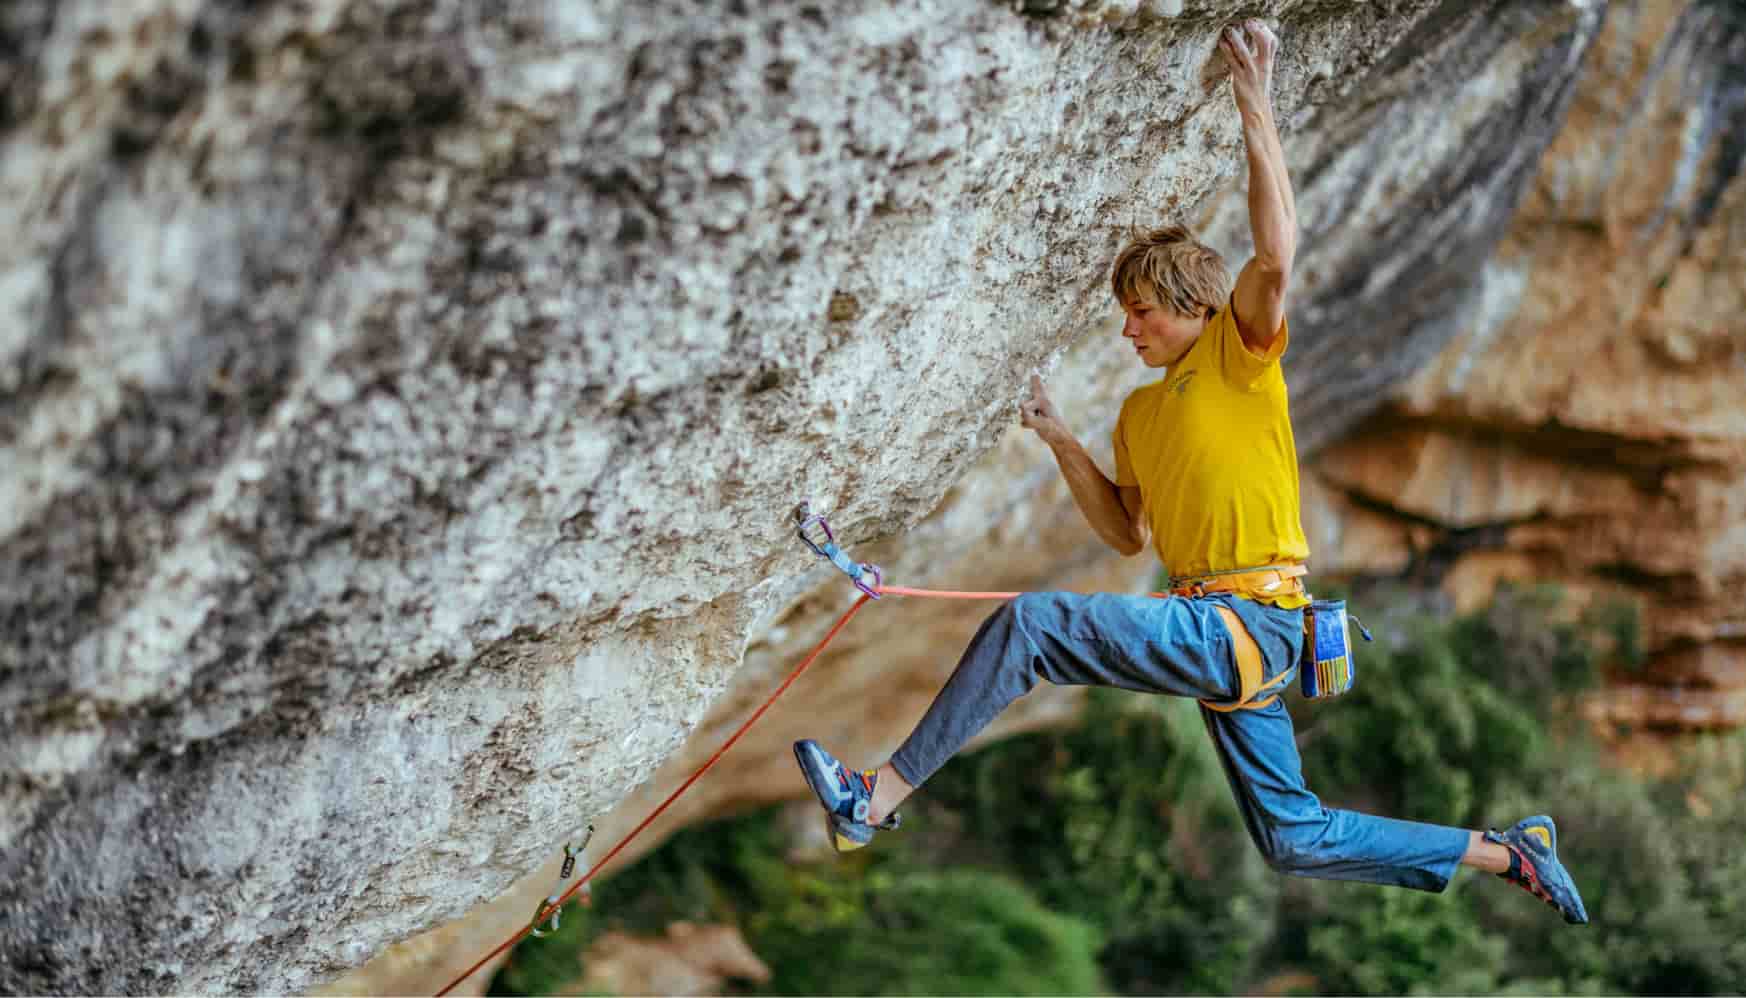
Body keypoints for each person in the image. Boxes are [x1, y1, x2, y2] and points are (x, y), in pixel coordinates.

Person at [793, 19, 1587, 923]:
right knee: (1294, 837)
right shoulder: (1137, 414)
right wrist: (1061, 439)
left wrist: (1255, 98)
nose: (1127, 330)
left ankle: (873, 800)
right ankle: (1503, 852)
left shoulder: (1237, 356)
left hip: (1253, 621)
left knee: (1032, 626)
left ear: (1189, 307)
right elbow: (1127, 530)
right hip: (1222, 627)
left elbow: (1277, 253)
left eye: (1139, 312)